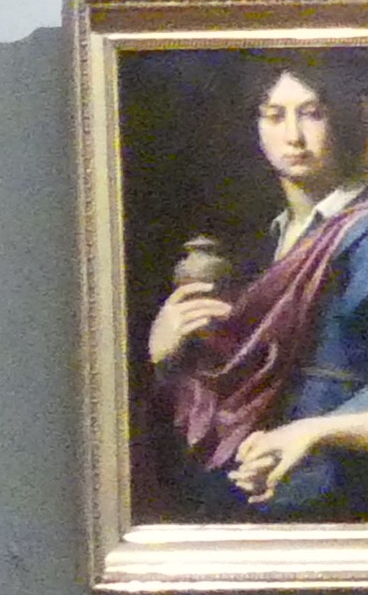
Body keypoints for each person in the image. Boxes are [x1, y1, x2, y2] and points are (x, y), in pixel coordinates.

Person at [143, 54, 368, 516]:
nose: (294, 136)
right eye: (274, 115)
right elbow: (235, 385)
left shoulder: (361, 235)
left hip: (342, 491)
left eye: (312, 113)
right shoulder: (265, 246)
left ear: (349, 115)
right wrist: (163, 352)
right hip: (251, 484)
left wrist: (313, 431)